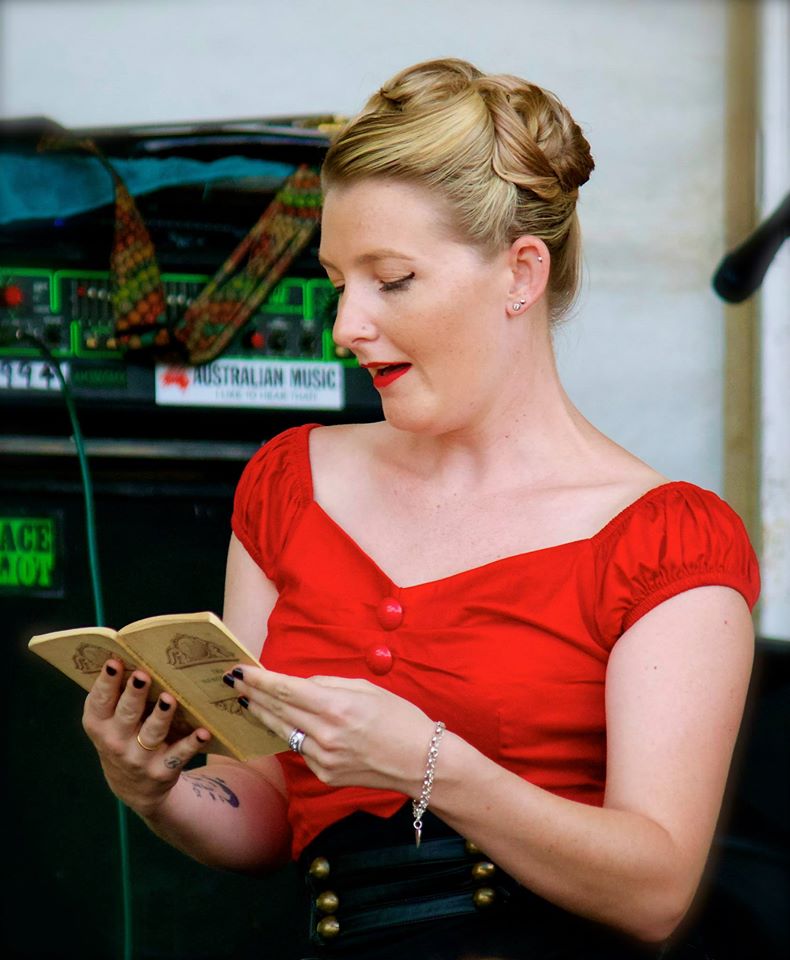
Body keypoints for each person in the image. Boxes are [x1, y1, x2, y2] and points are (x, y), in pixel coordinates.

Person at [82, 58, 760, 960]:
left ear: (521, 274)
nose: (345, 327)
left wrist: (427, 762)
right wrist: (158, 789)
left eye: (392, 279)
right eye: (337, 282)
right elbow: (270, 808)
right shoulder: (288, 484)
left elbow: (654, 890)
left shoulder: (664, 540)